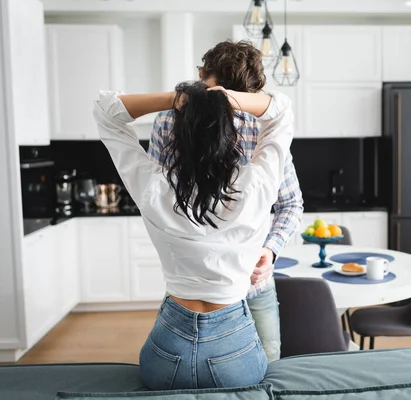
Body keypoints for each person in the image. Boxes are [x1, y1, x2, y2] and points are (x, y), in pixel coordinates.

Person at [93, 81, 293, 389]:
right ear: (233, 137)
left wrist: (179, 99)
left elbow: (105, 110)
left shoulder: (155, 187)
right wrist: (226, 98)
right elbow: (281, 110)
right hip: (234, 352)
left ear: (177, 137)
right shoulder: (256, 185)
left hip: (166, 354)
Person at [147, 40, 303, 362]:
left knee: (192, 372)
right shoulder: (169, 122)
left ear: (203, 74)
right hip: (196, 291)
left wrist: (268, 250)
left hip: (224, 287)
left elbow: (290, 203)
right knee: (265, 366)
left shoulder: (261, 126)